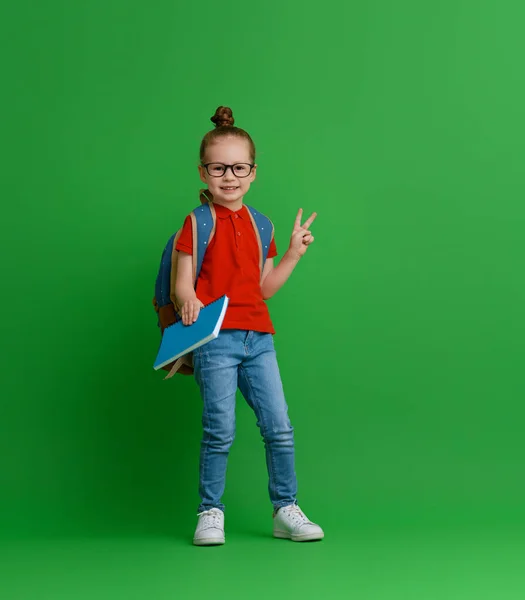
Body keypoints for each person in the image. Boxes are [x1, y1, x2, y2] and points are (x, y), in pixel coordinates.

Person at [174, 106, 324, 545]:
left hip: (259, 339)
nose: (229, 176)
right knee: (219, 428)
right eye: (219, 168)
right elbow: (183, 286)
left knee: (279, 427)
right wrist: (189, 301)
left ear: (253, 172)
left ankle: (285, 509)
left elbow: (265, 287)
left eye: (239, 167)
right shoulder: (197, 222)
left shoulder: (262, 224)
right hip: (214, 339)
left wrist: (293, 253)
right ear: (203, 173)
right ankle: (210, 512)